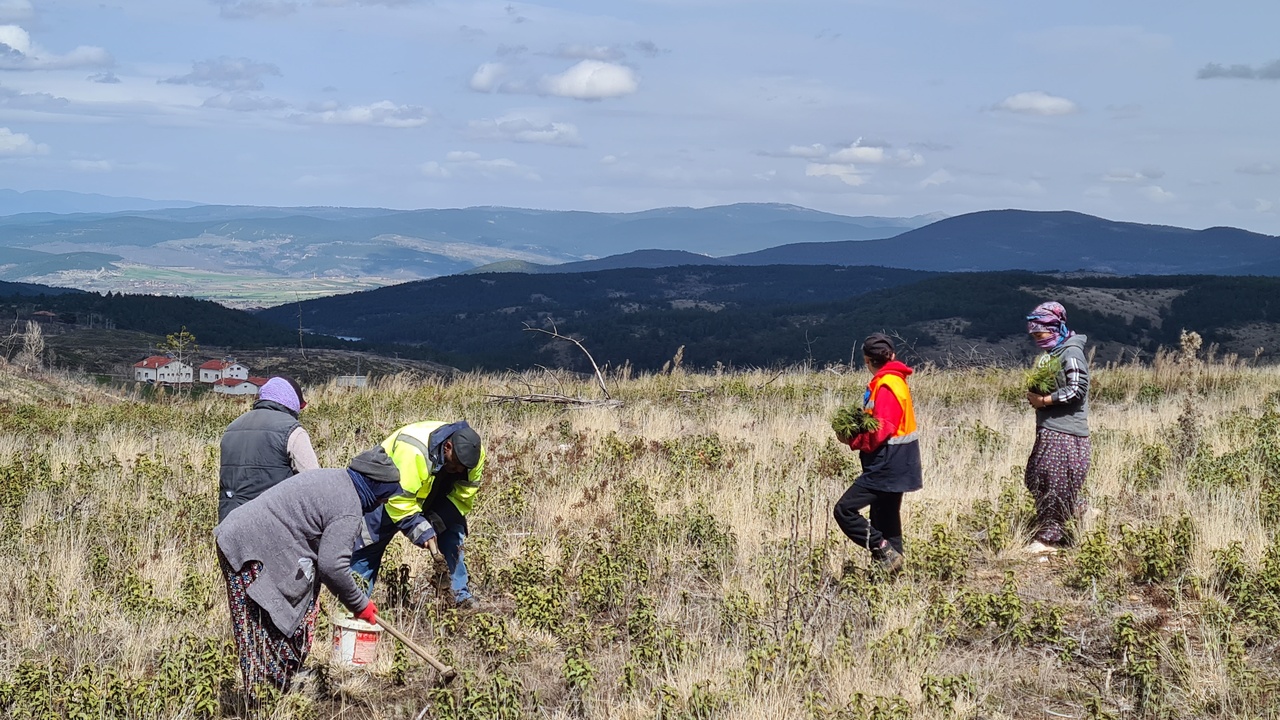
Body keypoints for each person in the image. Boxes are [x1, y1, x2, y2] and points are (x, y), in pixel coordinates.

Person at [214, 446, 401, 696]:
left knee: (275, 625)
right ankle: (264, 700)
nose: (385, 502)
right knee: (258, 629)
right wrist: (360, 604)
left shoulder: (335, 478)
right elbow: (332, 566)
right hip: (248, 547)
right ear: (375, 488)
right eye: (385, 496)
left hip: (244, 537)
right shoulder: (349, 507)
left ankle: (281, 690)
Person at [349, 420, 485, 608]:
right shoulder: (413, 451)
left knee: (453, 537)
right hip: (389, 493)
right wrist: (421, 530)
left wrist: (435, 523)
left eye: (463, 468)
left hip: (434, 491)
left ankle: (459, 598)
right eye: (455, 465)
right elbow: (399, 501)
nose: (459, 470)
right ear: (447, 447)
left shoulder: (474, 454)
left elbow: (463, 496)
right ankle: (354, 606)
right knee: (369, 545)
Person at [832, 333, 923, 573]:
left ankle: (881, 548)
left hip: (887, 465)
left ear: (866, 360)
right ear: (892, 356)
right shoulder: (896, 381)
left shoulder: (886, 386)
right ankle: (891, 576)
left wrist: (851, 439)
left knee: (844, 510)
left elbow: (880, 431)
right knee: (886, 520)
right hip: (902, 462)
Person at [1023, 301, 1091, 554]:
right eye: (1034, 336)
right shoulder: (1052, 354)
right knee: (1037, 478)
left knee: (1053, 484)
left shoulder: (1070, 353)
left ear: (1054, 329)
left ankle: (1048, 539)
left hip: (1065, 431)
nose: (1037, 340)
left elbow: (1076, 389)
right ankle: (1082, 511)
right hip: (1050, 428)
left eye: (1040, 334)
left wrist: (1044, 401)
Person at [218, 376, 319, 522]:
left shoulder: (231, 428)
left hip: (230, 521)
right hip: (272, 523)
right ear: (292, 402)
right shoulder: (292, 430)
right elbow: (314, 482)